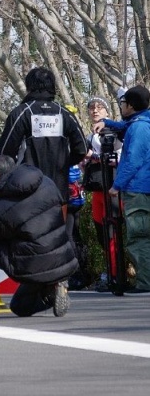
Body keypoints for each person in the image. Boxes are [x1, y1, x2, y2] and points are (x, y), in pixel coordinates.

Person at [0, 155, 77, 317]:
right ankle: (54, 285)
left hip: (32, 264)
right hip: (63, 258)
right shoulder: (46, 181)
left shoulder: (0, 206)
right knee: (20, 305)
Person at [0, 66, 87, 204]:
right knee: (58, 225)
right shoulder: (65, 113)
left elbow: (5, 152)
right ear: (52, 87)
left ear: (29, 86)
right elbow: (82, 149)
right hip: (59, 191)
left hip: (27, 191)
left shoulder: (22, 112)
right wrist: (63, 164)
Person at [105, 85, 150, 293]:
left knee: (139, 237)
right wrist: (106, 123)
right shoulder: (141, 122)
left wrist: (116, 185)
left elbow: (132, 159)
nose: (121, 106)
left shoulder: (139, 128)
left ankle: (145, 283)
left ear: (130, 106)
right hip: (143, 187)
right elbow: (126, 126)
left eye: (123, 103)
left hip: (139, 189)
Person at [82, 96, 123, 291]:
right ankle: (109, 272)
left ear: (107, 112)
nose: (95, 111)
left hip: (113, 189)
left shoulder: (115, 132)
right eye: (91, 108)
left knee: (113, 232)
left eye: (99, 108)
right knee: (101, 235)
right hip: (97, 189)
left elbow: (120, 158)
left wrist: (95, 157)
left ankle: (117, 274)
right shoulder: (90, 137)